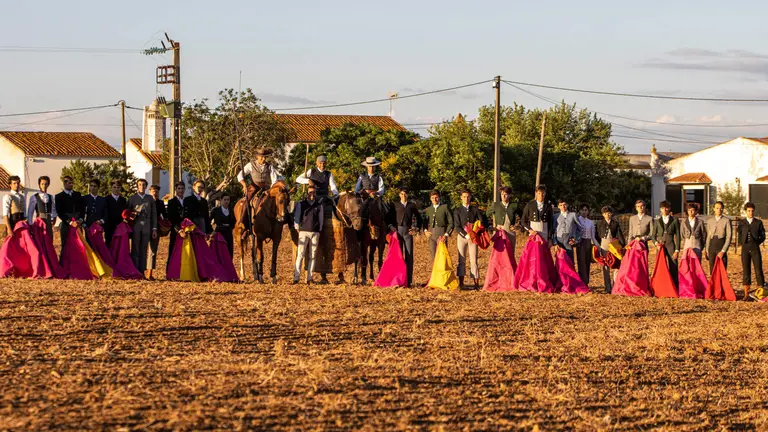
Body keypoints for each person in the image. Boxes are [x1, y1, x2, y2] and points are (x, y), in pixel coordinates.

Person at [295, 155, 338, 284]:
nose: (323, 165)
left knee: (335, 211)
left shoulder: (329, 174)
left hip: (323, 198)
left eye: (325, 163)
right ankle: (296, 277)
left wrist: (335, 195)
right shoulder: (311, 171)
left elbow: (333, 186)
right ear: (317, 163)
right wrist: (307, 181)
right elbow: (298, 178)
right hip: (311, 194)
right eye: (321, 163)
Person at [237, 147, 281, 220]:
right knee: (246, 201)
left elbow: (274, 180)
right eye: (262, 157)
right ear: (257, 156)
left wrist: (271, 189)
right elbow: (240, 175)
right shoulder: (250, 165)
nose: (263, 159)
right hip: (254, 188)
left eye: (265, 157)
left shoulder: (270, 166)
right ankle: (242, 221)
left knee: (278, 201)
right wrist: (244, 185)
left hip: (266, 189)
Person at [387, 187, 419, 287]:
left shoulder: (412, 206)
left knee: (409, 256)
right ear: (399, 195)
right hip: (398, 232)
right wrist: (392, 228)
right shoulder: (395, 205)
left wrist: (415, 228)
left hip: (408, 232)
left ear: (407, 195)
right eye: (401, 194)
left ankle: (408, 280)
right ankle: (398, 280)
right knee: (398, 256)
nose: (403, 196)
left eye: (405, 194)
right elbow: (388, 218)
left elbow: (419, 218)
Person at [453, 188, 484, 290]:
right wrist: (466, 235)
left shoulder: (475, 209)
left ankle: (476, 283)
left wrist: (475, 231)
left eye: (468, 197)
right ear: (461, 198)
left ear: (470, 197)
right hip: (462, 237)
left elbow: (481, 222)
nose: (466, 199)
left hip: (473, 238)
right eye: (464, 197)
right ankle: (461, 283)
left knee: (473, 260)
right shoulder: (457, 210)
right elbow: (457, 226)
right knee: (461, 259)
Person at [293, 184, 324, 284]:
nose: (312, 194)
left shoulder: (319, 206)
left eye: (314, 192)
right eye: (310, 192)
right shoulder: (301, 204)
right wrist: (298, 230)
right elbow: (297, 218)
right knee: (300, 255)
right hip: (303, 232)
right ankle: (296, 277)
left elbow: (321, 219)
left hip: (315, 233)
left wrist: (318, 230)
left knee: (313, 256)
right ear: (307, 193)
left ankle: (309, 278)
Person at [127, 179, 157, 276]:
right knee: (135, 248)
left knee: (144, 249)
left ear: (146, 186)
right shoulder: (132, 198)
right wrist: (132, 215)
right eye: (140, 184)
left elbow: (154, 214)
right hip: (136, 225)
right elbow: (127, 213)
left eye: (144, 185)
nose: (142, 186)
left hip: (147, 226)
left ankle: (141, 271)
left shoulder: (150, 198)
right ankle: (134, 270)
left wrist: (154, 228)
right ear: (137, 186)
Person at [737, 202, 766, 300]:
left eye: (752, 211)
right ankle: (746, 293)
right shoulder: (742, 223)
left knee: (758, 269)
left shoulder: (758, 222)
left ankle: (761, 292)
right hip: (745, 248)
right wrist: (742, 243)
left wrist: (757, 241)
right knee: (746, 270)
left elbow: (763, 236)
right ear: (745, 211)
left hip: (755, 247)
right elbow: (739, 234)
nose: (751, 213)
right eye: (749, 211)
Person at [595, 205, 624, 293]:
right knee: (605, 265)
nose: (607, 215)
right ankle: (607, 287)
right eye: (605, 213)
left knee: (616, 265)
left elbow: (619, 235)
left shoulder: (615, 223)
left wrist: (622, 245)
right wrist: (598, 246)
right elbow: (597, 235)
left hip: (614, 244)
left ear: (611, 214)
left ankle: (615, 285)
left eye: (609, 213)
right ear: (603, 214)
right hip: (604, 244)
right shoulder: (599, 223)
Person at [653, 200, 681, 283]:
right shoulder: (657, 221)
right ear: (660, 209)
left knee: (673, 265)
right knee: (660, 266)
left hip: (670, 244)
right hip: (660, 245)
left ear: (669, 209)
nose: (664, 210)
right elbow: (653, 235)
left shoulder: (675, 220)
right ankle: (660, 286)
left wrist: (677, 250)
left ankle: (675, 286)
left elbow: (678, 235)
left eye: (666, 208)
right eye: (662, 208)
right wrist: (656, 243)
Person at [487, 186, 521, 255]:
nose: (504, 196)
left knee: (510, 253)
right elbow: (486, 215)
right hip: (499, 232)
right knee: (500, 254)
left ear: (510, 195)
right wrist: (491, 227)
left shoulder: (514, 205)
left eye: (506, 194)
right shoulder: (496, 205)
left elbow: (523, 216)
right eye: (502, 194)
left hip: (510, 231)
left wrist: (517, 226)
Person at [423, 189, 453, 261]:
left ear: (439, 197)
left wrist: (446, 234)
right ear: (430, 199)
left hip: (441, 234)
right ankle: (435, 272)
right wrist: (425, 231)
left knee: (442, 258)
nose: (435, 199)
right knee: (434, 258)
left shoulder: (445, 207)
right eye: (433, 198)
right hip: (432, 235)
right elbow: (425, 222)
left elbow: (451, 222)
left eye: (436, 197)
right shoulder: (429, 209)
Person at [55, 175, 84, 251]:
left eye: (71, 182)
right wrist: (70, 222)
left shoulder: (78, 194)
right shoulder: (59, 196)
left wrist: (81, 219)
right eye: (68, 182)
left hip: (77, 223)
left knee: (79, 245)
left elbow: (82, 208)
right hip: (66, 224)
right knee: (65, 245)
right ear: (64, 184)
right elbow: (59, 212)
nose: (70, 184)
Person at [704, 200, 731, 273]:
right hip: (712, 245)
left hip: (721, 244)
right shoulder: (710, 221)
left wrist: (723, 250)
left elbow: (729, 237)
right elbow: (708, 236)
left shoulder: (727, 221)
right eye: (717, 208)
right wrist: (706, 249)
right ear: (714, 209)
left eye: (721, 208)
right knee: (712, 269)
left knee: (722, 269)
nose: (719, 210)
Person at [146, 184, 167, 280]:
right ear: (150, 192)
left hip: (156, 228)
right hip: (145, 228)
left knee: (153, 251)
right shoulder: (145, 201)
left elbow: (165, 216)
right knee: (142, 251)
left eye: (157, 191)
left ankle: (149, 273)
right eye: (153, 191)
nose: (155, 193)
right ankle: (140, 272)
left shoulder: (160, 203)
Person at [27, 176, 57, 240]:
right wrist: (30, 224)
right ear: (39, 185)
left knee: (49, 239)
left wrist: (54, 218)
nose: (44, 186)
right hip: (39, 221)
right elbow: (30, 212)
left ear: (48, 185)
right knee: (40, 239)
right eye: (42, 184)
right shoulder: (34, 197)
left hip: (48, 220)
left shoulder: (50, 196)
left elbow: (53, 209)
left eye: (46, 184)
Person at [552, 198, 580, 264]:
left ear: (567, 205)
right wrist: (555, 243)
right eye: (561, 205)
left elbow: (579, 228)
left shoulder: (573, 215)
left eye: (564, 204)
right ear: (558, 206)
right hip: (559, 240)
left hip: (569, 240)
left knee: (570, 260)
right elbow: (553, 230)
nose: (563, 207)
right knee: (560, 261)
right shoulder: (555, 216)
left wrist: (575, 239)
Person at [575, 203, 597, 285]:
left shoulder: (591, 222)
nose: (584, 212)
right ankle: (581, 282)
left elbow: (593, 236)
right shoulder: (577, 220)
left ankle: (586, 282)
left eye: (586, 210)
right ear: (580, 211)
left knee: (587, 262)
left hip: (588, 243)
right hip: (580, 242)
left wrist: (597, 246)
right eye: (583, 210)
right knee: (581, 262)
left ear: (588, 211)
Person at [166, 181, 186, 271]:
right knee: (173, 251)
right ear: (175, 190)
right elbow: (171, 218)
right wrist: (179, 230)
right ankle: (170, 271)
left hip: (186, 230)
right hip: (176, 231)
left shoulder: (187, 202)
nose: (181, 190)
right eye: (179, 189)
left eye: (182, 188)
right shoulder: (171, 202)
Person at [211, 193, 236, 258]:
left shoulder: (231, 210)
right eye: (225, 200)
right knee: (219, 252)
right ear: (221, 200)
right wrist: (211, 231)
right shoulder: (215, 210)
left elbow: (234, 222)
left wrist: (230, 228)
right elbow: (208, 220)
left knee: (229, 251)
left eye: (228, 200)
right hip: (219, 233)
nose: (226, 201)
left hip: (228, 233)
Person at [104, 180, 127, 247]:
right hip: (109, 226)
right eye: (114, 187)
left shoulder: (123, 200)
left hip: (119, 226)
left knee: (118, 245)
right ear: (111, 188)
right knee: (109, 243)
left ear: (120, 188)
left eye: (118, 187)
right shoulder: (106, 199)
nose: (116, 189)